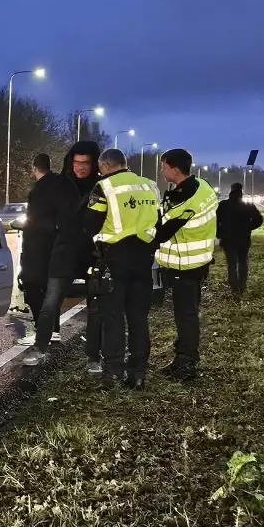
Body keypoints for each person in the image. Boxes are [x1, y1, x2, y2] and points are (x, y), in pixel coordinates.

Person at [82, 149, 161, 389]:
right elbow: (158, 221)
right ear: (124, 164)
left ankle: (113, 373)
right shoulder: (150, 186)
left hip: (114, 260)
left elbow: (90, 224)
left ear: (105, 165)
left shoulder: (103, 187)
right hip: (143, 259)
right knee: (139, 318)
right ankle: (138, 374)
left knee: (113, 318)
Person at [23, 140, 103, 368]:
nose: (81, 167)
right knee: (51, 302)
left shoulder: (102, 186)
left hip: (94, 252)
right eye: (77, 162)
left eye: (86, 163)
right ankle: (40, 348)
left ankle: (95, 358)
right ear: (70, 162)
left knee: (98, 307)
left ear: (94, 164)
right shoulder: (57, 185)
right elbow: (39, 219)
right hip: (63, 251)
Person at [152, 148, 218, 381]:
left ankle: (186, 364)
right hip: (197, 263)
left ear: (175, 169)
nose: (162, 171)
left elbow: (160, 233)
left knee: (186, 316)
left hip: (184, 266)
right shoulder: (202, 186)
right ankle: (182, 358)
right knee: (186, 315)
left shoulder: (183, 200)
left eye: (164, 167)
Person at [17, 153, 67, 345]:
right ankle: (53, 329)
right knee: (50, 289)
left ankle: (44, 329)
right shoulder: (60, 185)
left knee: (31, 286)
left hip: (39, 247)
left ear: (34, 168)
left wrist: (27, 230)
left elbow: (36, 221)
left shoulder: (39, 191)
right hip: (57, 246)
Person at [217, 182, 263, 296]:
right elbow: (259, 219)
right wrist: (249, 227)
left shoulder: (224, 205)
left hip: (228, 239)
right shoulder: (247, 205)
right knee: (243, 261)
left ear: (231, 191)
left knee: (231, 263)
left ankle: (234, 286)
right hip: (244, 239)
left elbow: (216, 221)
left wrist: (219, 233)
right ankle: (242, 285)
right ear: (241, 192)